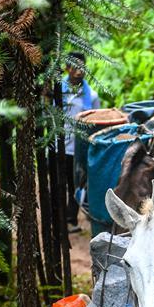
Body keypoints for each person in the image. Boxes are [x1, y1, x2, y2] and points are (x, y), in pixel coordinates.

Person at [62, 52, 100, 232]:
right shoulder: (57, 91)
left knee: (76, 182)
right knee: (61, 183)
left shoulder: (91, 96)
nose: (79, 71)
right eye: (75, 67)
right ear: (66, 68)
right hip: (59, 146)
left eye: (82, 67)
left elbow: (97, 122)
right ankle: (61, 217)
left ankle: (70, 219)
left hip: (78, 148)